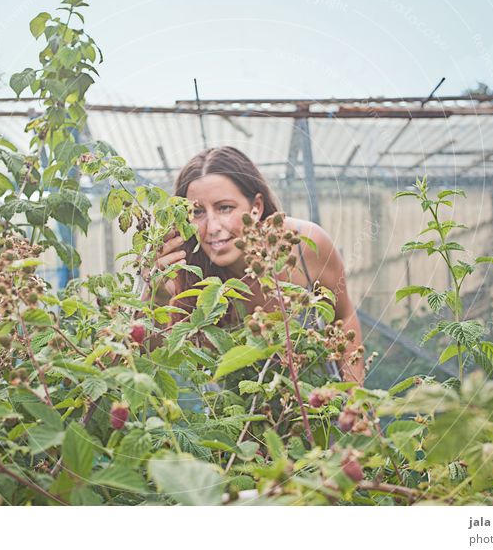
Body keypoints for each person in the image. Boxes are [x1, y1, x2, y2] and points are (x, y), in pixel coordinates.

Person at [152, 146, 364, 384]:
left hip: (321, 412)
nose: (211, 228)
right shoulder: (187, 273)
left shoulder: (305, 247)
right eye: (197, 212)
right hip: (238, 414)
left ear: (256, 208)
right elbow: (149, 354)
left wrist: (353, 403)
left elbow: (344, 317)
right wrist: (156, 294)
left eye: (225, 208)